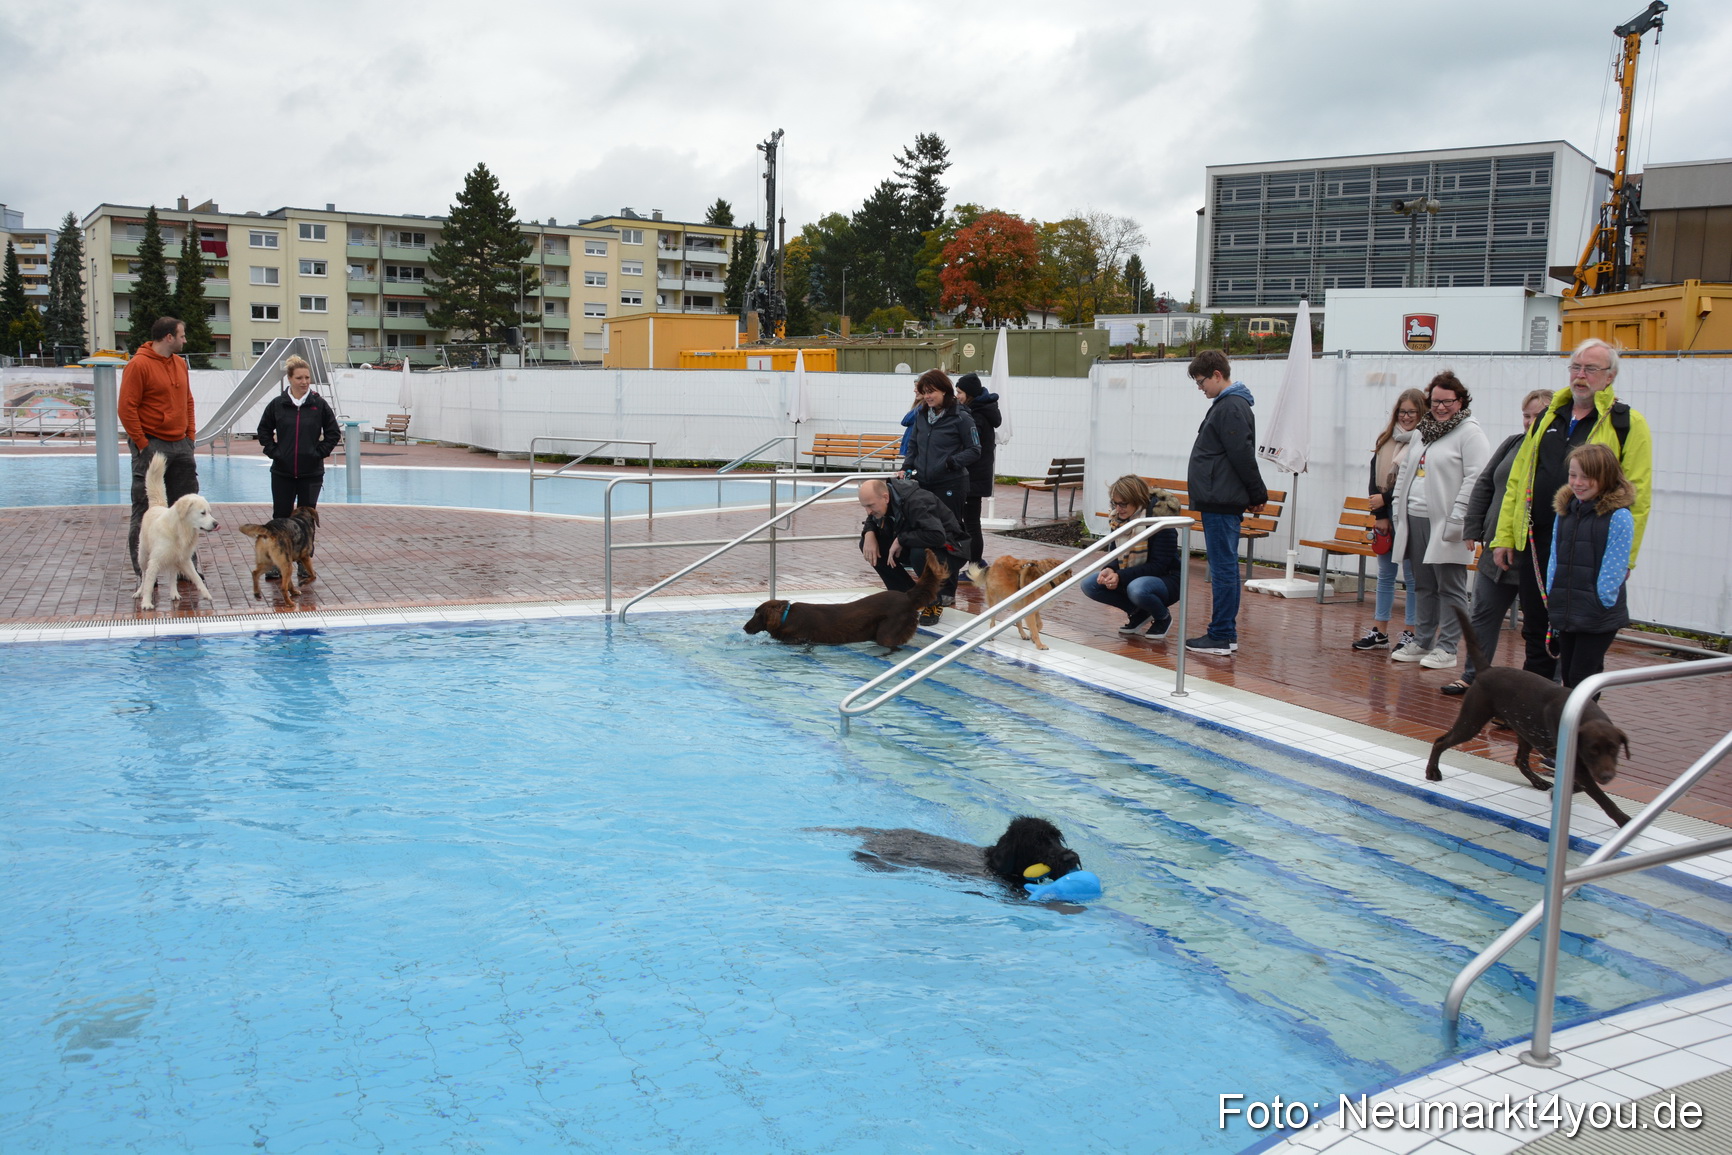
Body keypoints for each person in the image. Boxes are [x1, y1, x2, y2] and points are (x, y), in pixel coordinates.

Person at [1492, 338, 1653, 681]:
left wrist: (1626, 560)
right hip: (1538, 542)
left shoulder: (1627, 423)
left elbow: (1637, 495)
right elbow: (1519, 481)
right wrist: (1505, 535)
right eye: (1576, 367)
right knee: (1536, 629)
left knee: (1582, 641)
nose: (1580, 376)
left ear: (1609, 376)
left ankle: (1580, 714)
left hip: (1588, 549)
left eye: (1590, 369)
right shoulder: (1549, 416)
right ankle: (1533, 711)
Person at [1442, 389, 1554, 696]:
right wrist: (1473, 526)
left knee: (1537, 625)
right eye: (1526, 415)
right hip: (1497, 546)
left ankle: (1543, 686)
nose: (1530, 422)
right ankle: (1474, 676)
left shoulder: (1558, 450)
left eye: (1538, 416)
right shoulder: (1512, 444)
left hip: (1534, 553)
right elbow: (1485, 484)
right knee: (1483, 612)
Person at [1387, 371, 1489, 670]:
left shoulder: (1470, 433)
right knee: (1422, 584)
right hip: (1415, 517)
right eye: (1435, 401)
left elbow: (1476, 479)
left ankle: (1448, 647)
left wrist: (1460, 516)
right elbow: (1406, 469)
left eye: (1448, 401)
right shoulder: (1423, 430)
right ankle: (1423, 639)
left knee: (1451, 586)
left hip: (1446, 522)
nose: (1441, 407)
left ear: (1460, 400)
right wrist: (1397, 507)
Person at [1183, 349, 1267, 656]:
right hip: (1219, 496)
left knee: (1223, 568)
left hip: (1221, 498)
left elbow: (1241, 454)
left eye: (1201, 380)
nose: (1200, 387)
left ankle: (1220, 634)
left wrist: (1257, 494)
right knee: (1224, 566)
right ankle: (1224, 634)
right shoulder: (1229, 404)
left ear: (1218, 375)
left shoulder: (1231, 406)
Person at [1545, 443, 1636, 687]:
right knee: (1570, 676)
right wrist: (1552, 592)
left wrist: (1601, 600)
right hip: (1567, 608)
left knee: (1581, 678)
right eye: (1572, 475)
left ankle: (1579, 724)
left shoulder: (1618, 516)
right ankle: (1582, 724)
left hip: (1596, 613)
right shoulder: (1566, 510)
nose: (1577, 483)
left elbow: (1614, 567)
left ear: (1604, 477)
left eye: (1587, 477)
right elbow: (1554, 555)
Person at [120, 316, 198, 576]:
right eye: (182, 335)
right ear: (168, 337)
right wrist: (143, 444)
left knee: (187, 509)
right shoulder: (138, 365)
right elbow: (126, 408)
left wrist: (190, 437)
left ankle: (187, 568)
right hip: (152, 444)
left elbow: (188, 400)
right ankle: (144, 573)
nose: (184, 340)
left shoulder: (179, 364)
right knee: (145, 509)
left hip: (181, 445)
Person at [1351, 388, 1427, 652]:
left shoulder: (1424, 441)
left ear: (1421, 414)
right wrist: (1380, 513)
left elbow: (1414, 478)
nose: (1406, 417)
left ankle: (1411, 632)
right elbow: (1374, 478)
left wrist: (1386, 498)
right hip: (1386, 518)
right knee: (1385, 575)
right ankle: (1380, 630)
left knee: (1412, 577)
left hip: (1410, 516)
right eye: (1402, 411)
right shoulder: (1386, 439)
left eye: (1412, 412)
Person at [900, 368, 980, 607]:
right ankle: (930, 587)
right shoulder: (922, 415)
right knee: (926, 534)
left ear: (945, 390)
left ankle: (947, 592)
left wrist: (951, 462)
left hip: (951, 484)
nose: (927, 396)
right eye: (924, 392)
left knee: (948, 538)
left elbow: (975, 450)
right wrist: (907, 466)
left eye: (931, 391)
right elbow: (913, 444)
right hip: (924, 484)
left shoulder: (961, 417)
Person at [256, 354, 341, 580]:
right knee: (280, 518)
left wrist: (318, 453)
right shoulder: (277, 405)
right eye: (300, 378)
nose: (304, 382)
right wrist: (275, 453)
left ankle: (305, 562)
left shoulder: (318, 405)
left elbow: (333, 433)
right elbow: (263, 431)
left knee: (306, 520)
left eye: (307, 378)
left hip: (310, 473)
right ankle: (277, 563)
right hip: (282, 472)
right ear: (290, 379)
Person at [1081, 475, 1182, 640]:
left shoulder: (1160, 521)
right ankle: (1139, 613)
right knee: (1090, 584)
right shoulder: (1118, 520)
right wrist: (1110, 569)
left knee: (1137, 588)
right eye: (1115, 503)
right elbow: (1115, 552)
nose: (1118, 508)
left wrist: (1119, 576)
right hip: (1133, 575)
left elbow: (1159, 566)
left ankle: (1162, 617)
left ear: (1138, 499)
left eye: (1123, 504)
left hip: (1167, 579)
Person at [858, 477, 965, 622]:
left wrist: (901, 539)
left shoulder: (917, 501)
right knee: (868, 545)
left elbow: (937, 536)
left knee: (920, 552)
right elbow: (872, 519)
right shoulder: (884, 501)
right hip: (917, 543)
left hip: (950, 550)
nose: (868, 511)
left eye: (870, 506)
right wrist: (869, 533)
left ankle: (932, 600)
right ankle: (906, 598)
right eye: (864, 506)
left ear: (885, 497)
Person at [954, 372, 1002, 572]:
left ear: (970, 394)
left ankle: (975, 566)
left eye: (960, 392)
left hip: (972, 476)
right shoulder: (981, 411)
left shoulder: (976, 415)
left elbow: (971, 448)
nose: (957, 396)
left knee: (971, 523)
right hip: (977, 475)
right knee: (971, 521)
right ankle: (976, 563)